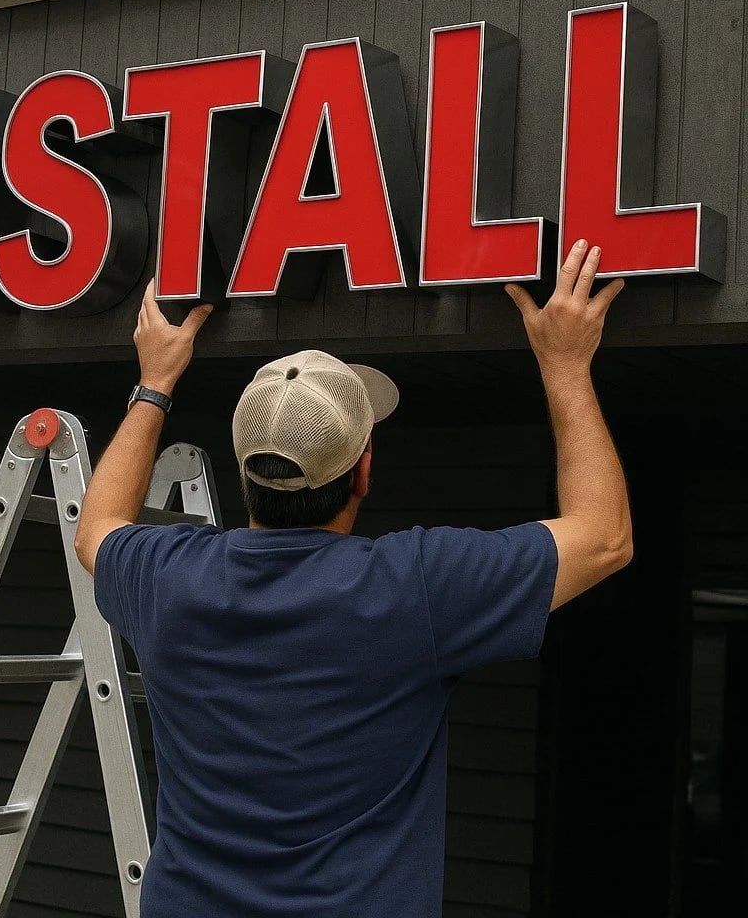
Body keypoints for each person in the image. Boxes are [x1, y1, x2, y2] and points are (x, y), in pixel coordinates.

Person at [74, 239, 633, 918]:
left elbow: (96, 525)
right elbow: (604, 536)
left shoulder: (169, 576)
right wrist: (566, 364)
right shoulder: (414, 587)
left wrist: (154, 384)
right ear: (363, 472)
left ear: (246, 471)